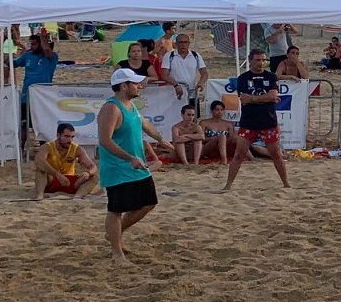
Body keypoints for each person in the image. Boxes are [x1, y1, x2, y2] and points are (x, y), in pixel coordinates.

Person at [95, 69, 168, 260]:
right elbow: (105, 140)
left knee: (149, 202)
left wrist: (161, 139)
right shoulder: (111, 108)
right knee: (116, 209)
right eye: (135, 83)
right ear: (123, 85)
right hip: (118, 167)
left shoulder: (131, 105)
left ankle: (114, 234)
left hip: (136, 165)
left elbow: (144, 123)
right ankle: (116, 252)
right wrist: (129, 158)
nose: (140, 86)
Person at [226, 48, 290, 190]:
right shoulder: (243, 78)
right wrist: (265, 99)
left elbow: (273, 96)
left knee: (276, 155)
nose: (261, 63)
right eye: (258, 60)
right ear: (250, 61)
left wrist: (254, 98)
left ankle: (286, 183)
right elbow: (244, 99)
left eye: (263, 60)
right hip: (248, 122)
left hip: (268, 122)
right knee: (239, 155)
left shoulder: (271, 77)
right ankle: (228, 185)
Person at [33, 121, 99, 198]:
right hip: (52, 180)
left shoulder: (77, 149)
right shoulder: (47, 147)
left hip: (68, 181)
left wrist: (88, 173)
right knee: (40, 170)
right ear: (58, 135)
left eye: (72, 137)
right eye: (67, 136)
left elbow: (93, 166)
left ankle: (77, 197)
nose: (70, 140)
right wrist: (57, 175)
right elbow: (39, 162)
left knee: (94, 177)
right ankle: (39, 196)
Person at [160, 32, 209, 107]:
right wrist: (176, 85)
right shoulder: (169, 56)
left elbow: (204, 72)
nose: (183, 44)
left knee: (192, 117)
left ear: (189, 43)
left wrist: (201, 83)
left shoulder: (196, 55)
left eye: (185, 42)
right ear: (176, 44)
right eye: (181, 42)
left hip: (191, 94)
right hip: (174, 94)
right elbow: (164, 75)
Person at [16, 32, 60, 106]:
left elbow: (46, 49)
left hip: (43, 93)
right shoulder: (27, 55)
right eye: (30, 44)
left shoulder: (52, 56)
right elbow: (14, 63)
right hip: (27, 92)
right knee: (25, 114)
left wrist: (42, 38)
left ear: (41, 44)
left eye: (34, 44)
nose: (31, 47)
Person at [199, 100, 241, 166]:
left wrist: (222, 141)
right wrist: (216, 139)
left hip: (225, 148)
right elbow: (201, 139)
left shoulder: (229, 124)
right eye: (217, 110)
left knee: (237, 138)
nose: (220, 112)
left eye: (222, 110)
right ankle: (224, 161)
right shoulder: (204, 123)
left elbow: (231, 138)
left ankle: (251, 158)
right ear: (212, 111)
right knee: (222, 137)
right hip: (209, 148)